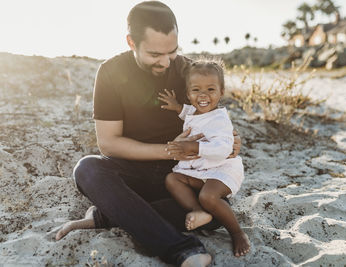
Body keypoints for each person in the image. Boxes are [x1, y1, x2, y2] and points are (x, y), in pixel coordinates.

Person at [54, 1, 241, 267]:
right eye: (155, 54)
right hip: (132, 174)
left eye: (172, 52)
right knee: (87, 169)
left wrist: (231, 141)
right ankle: (183, 250)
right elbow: (108, 144)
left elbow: (213, 118)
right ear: (131, 42)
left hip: (182, 176)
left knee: (218, 210)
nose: (166, 62)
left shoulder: (188, 70)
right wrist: (171, 148)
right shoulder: (111, 72)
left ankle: (108, 216)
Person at [158, 59, 250, 257]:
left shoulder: (220, 119)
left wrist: (193, 146)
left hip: (222, 169)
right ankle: (197, 210)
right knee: (172, 179)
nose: (203, 96)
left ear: (221, 91)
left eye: (210, 89)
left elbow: (223, 149)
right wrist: (177, 107)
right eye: (196, 90)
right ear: (188, 92)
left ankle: (236, 232)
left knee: (208, 196)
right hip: (200, 169)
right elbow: (190, 112)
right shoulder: (195, 109)